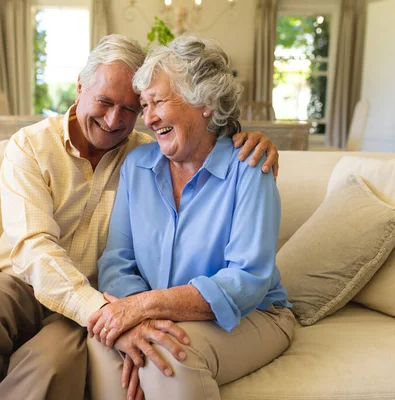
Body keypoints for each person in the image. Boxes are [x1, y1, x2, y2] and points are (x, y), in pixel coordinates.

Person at [0, 34, 280, 400]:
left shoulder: (145, 154)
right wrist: (117, 311)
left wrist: (251, 139)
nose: (115, 120)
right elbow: (36, 248)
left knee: (49, 364)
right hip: (32, 288)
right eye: (105, 102)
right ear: (80, 88)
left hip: (99, 298)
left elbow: (204, 142)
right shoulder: (33, 146)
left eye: (133, 109)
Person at [87, 35, 295, 400]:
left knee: (170, 355)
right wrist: (141, 322)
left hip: (254, 315)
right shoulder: (138, 165)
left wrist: (146, 306)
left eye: (158, 102)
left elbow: (247, 279)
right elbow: (118, 260)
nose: (148, 118)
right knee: (105, 343)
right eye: (145, 105)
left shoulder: (249, 168)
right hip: (161, 314)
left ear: (206, 103)